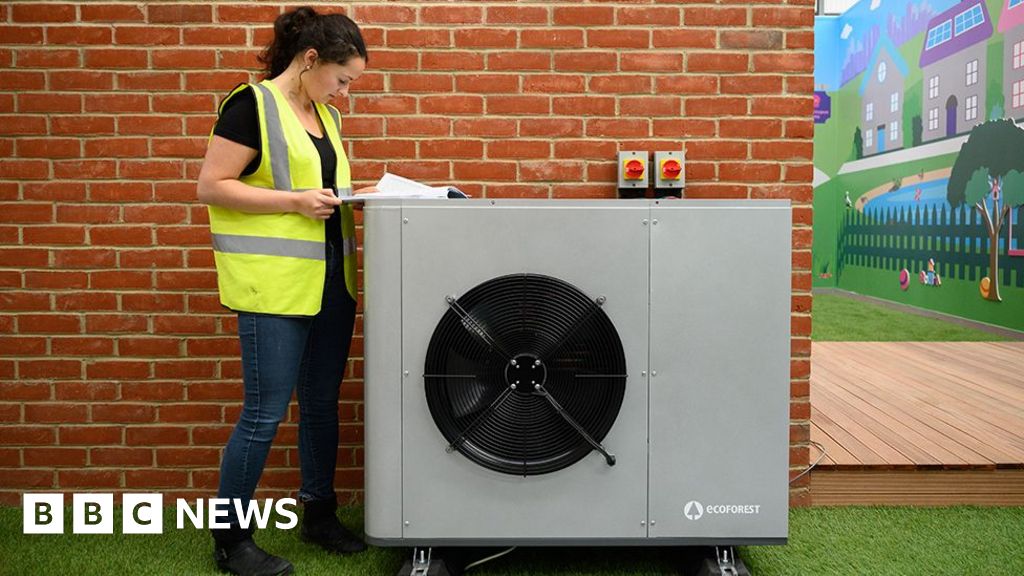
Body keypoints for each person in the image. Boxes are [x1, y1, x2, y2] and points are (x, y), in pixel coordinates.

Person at [196, 6, 373, 576]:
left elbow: (322, 189)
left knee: (321, 404)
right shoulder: (251, 104)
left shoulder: (325, 116)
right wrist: (294, 202)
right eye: (342, 79)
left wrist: (367, 192)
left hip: (331, 282)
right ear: (311, 59)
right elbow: (212, 186)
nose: (345, 92)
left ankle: (319, 514)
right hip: (273, 287)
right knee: (263, 413)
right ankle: (231, 542)